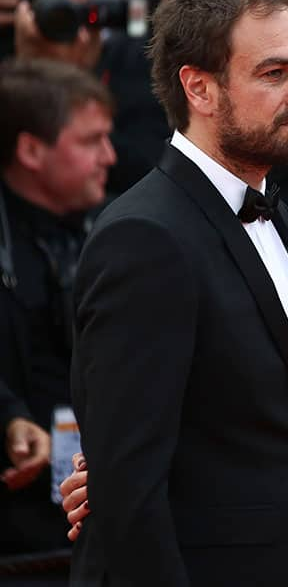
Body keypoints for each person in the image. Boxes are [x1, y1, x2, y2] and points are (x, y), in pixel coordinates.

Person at [67, 0, 288, 585]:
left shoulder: (276, 214)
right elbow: (128, 492)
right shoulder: (145, 239)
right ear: (200, 89)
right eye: (275, 73)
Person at [0, 57, 114, 560]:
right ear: (29, 149)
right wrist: (6, 419)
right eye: (90, 141)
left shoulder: (115, 229)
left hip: (90, 518)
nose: (109, 156)